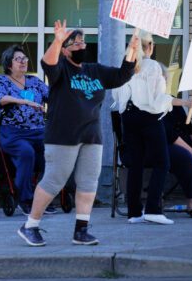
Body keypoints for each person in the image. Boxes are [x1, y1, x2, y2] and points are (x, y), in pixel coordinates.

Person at [17, 22, 138, 247]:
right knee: (54, 180)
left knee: (88, 182)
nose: (82, 46)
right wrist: (58, 40)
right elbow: (47, 63)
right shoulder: (61, 68)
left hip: (91, 135)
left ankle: (81, 231)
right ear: (65, 49)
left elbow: (121, 75)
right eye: (76, 43)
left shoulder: (94, 70)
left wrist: (131, 51)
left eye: (83, 42)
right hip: (63, 135)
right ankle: (30, 225)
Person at [111, 31, 191, 225]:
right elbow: (159, 99)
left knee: (135, 165)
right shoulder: (153, 66)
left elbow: (116, 97)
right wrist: (184, 102)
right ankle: (153, 209)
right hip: (148, 117)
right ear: (151, 47)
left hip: (127, 118)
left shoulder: (125, 66)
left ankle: (134, 212)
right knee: (162, 163)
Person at [0, 45, 50, 215]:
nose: (23, 61)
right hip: (12, 132)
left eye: (25, 58)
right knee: (26, 153)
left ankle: (43, 197)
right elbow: (2, 99)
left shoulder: (34, 81)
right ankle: (25, 199)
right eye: (19, 59)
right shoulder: (1, 80)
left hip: (38, 130)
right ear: (9, 64)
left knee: (54, 152)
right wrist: (24, 101)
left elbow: (52, 96)